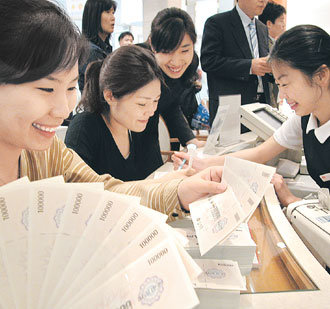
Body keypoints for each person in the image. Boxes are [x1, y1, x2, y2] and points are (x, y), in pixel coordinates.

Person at [0, 0, 227, 220]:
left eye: (70, 87)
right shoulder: (84, 129)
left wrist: (180, 193)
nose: (63, 110)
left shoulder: (49, 153)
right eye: (47, 89)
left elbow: (105, 193)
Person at [173, 24, 330, 207]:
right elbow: (259, 153)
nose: (282, 96)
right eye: (278, 85)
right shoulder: (305, 119)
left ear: (321, 76)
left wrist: (291, 200)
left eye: (285, 84)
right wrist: (202, 164)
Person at [65, 45, 164, 181]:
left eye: (156, 100)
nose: (151, 111)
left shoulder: (142, 123)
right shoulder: (85, 127)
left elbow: (153, 176)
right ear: (110, 96)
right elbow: (78, 192)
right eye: (142, 103)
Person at [137, 7, 204, 171]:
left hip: (149, 139)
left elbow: (171, 104)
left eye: (185, 50)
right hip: (119, 138)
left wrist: (190, 140)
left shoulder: (190, 65)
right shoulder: (136, 62)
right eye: (168, 51)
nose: (177, 61)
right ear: (152, 44)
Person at [201, 0, 273, 127]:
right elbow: (209, 61)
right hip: (230, 105)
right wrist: (249, 66)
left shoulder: (262, 28)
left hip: (261, 105)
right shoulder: (217, 23)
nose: (263, 1)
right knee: (230, 147)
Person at [79, 0, 116, 92]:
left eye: (113, 13)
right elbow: (98, 91)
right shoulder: (91, 51)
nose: (113, 17)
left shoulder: (105, 47)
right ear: (94, 16)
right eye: (108, 12)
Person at [259, 1, 286, 107]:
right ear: (269, 23)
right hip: (266, 98)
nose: (284, 24)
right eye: (281, 20)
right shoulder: (263, 44)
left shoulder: (276, 43)